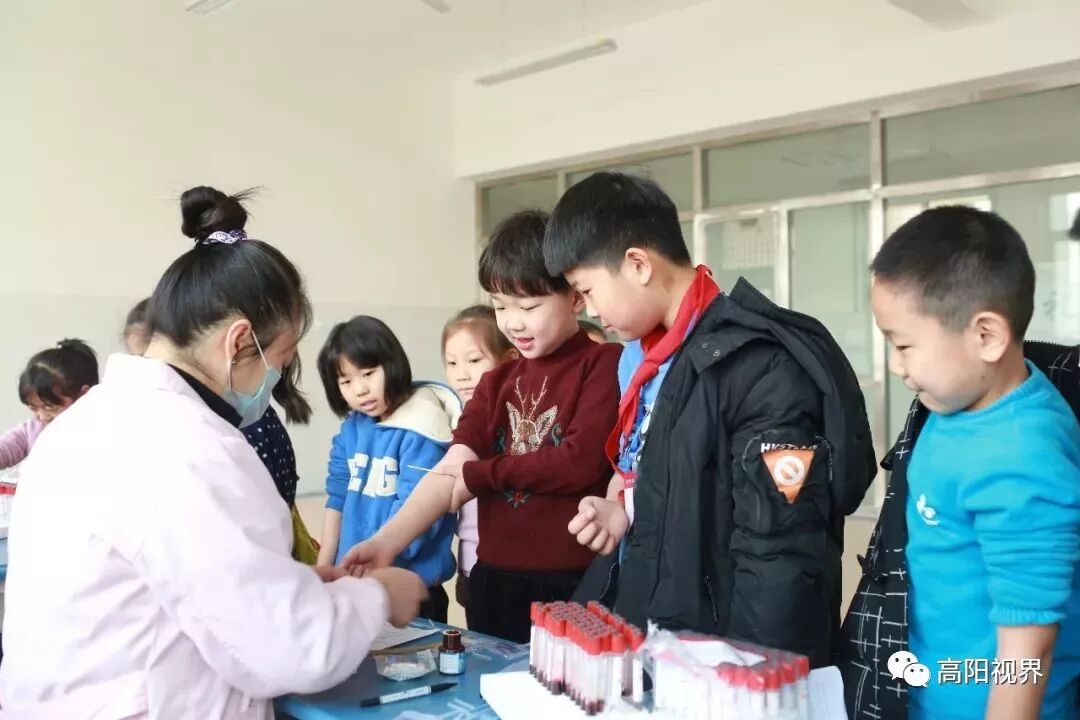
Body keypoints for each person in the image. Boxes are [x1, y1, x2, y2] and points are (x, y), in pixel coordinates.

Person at [0, 186, 426, 718]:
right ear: (239, 341)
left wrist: (293, 588)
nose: (278, 379)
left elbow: (189, 587)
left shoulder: (82, 424)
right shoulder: (189, 447)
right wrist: (378, 597)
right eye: (283, 360)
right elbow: (292, 650)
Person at [544, 172, 875, 668]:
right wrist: (623, 510)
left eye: (587, 290)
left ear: (637, 264)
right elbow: (666, 486)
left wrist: (752, 674)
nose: (590, 310)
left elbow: (778, 551)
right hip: (657, 634)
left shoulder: (761, 367)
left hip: (723, 659)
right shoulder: (641, 358)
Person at [841, 207, 1080, 720]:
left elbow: (1027, 652)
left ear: (987, 336)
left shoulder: (1022, 457)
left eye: (904, 345)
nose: (895, 365)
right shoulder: (957, 404)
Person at [341, 209, 621, 643]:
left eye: (528, 306)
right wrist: (386, 543)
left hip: (572, 582)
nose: (513, 322)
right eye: (500, 305)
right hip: (494, 580)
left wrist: (483, 474)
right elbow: (451, 473)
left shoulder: (603, 364)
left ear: (575, 296)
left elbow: (578, 462)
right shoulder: (497, 381)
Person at [315, 315, 461, 622]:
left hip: (410, 590)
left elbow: (418, 513)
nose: (360, 389)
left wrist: (371, 575)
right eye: (346, 381)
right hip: (355, 583)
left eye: (368, 373)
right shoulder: (351, 430)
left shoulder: (422, 427)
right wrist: (324, 568)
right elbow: (337, 497)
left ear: (392, 365)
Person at [440, 304, 518, 627]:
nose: (461, 374)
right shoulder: (455, 422)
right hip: (471, 565)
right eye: (452, 363)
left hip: (516, 564)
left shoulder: (518, 421)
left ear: (510, 358)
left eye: (473, 361)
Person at [0, 338, 98, 469]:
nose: (42, 417)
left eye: (49, 407)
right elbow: (7, 446)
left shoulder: (99, 433)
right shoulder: (35, 429)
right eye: (33, 408)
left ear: (84, 396)